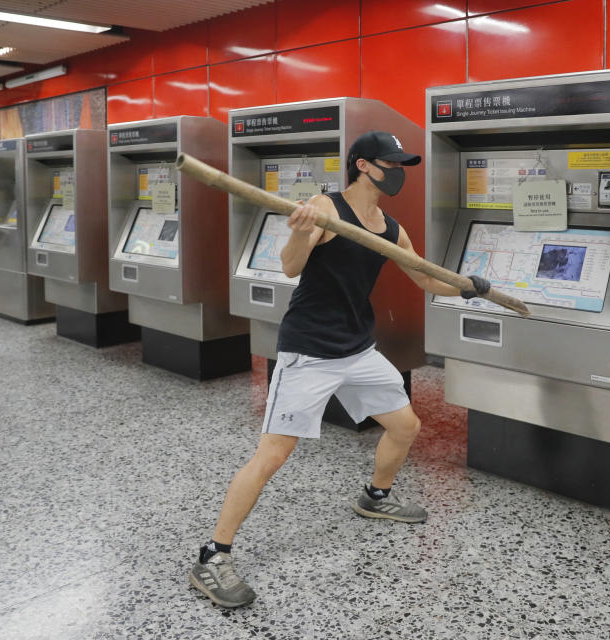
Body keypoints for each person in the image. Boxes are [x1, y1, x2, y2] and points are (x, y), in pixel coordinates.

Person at [188, 131, 490, 608]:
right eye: (391, 164)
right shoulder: (324, 208)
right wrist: (303, 231)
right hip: (308, 351)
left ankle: (375, 496)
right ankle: (212, 555)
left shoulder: (390, 228)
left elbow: (426, 278)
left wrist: (468, 286)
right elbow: (290, 267)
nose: (399, 172)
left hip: (357, 349)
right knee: (273, 454)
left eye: (402, 164)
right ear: (363, 166)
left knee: (405, 426)